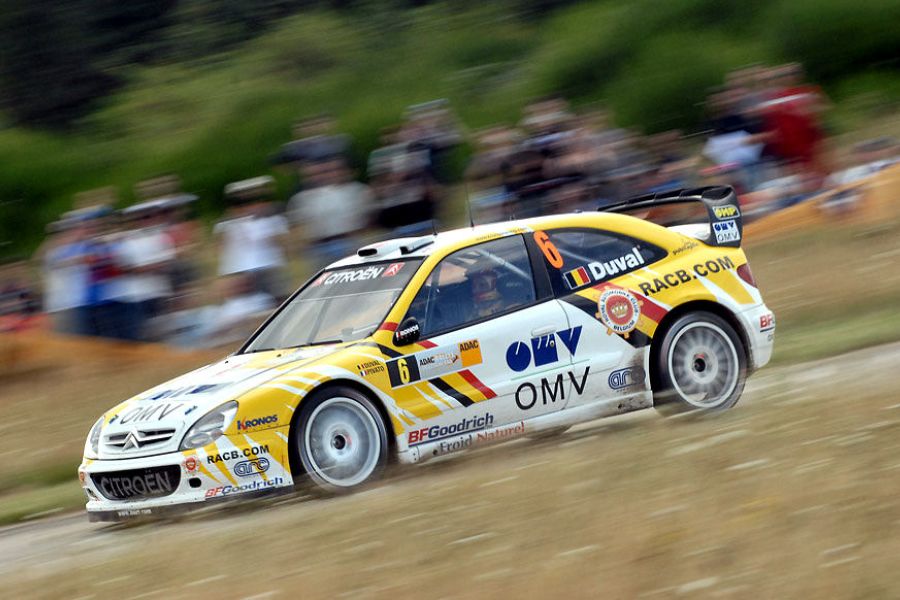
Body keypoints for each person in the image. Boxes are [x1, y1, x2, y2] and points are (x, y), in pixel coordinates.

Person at [216, 176, 290, 302]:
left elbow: (286, 244)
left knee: (276, 301)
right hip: (240, 272)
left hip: (268, 268)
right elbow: (221, 249)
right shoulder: (227, 225)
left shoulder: (274, 220)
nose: (253, 205)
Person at [287, 160, 373, 268]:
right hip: (319, 246)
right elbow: (297, 226)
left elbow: (367, 217)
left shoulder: (356, 190)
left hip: (350, 241)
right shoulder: (301, 198)